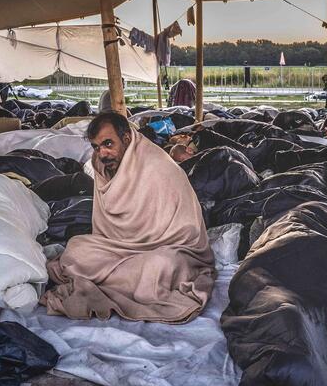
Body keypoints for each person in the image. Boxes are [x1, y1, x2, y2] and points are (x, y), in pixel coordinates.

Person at [41, 112, 215, 323]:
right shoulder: (102, 166)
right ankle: (125, 276)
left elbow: (184, 233)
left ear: (126, 139)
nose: (103, 153)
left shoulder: (158, 166)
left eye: (108, 144)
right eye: (96, 147)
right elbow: (106, 228)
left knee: (161, 266)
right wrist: (122, 248)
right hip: (119, 247)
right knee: (76, 250)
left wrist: (136, 248)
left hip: (165, 248)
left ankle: (119, 276)